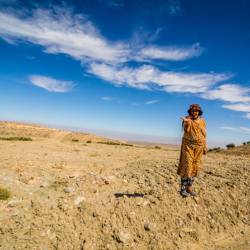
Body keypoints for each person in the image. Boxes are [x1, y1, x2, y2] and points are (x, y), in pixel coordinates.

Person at [177, 104, 207, 197]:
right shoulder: (188, 119)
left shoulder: (202, 121)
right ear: (190, 112)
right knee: (187, 166)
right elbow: (186, 129)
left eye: (197, 111)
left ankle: (189, 187)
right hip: (188, 146)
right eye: (193, 111)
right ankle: (183, 189)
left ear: (199, 112)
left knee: (195, 166)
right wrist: (187, 122)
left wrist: (205, 145)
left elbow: (204, 134)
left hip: (199, 146)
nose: (195, 112)